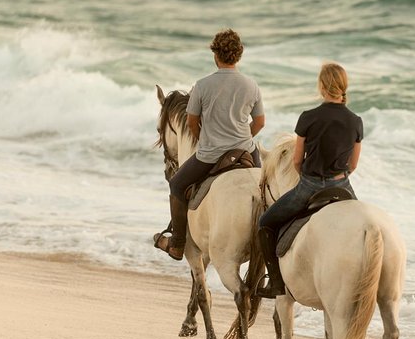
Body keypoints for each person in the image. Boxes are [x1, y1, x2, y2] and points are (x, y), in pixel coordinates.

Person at [154, 29, 265, 260]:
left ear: (216, 55)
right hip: (246, 150)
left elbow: (192, 121)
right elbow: (260, 122)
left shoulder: (203, 85)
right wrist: (243, 136)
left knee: (176, 185)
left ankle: (176, 244)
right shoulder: (251, 85)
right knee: (265, 188)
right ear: (239, 56)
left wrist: (205, 138)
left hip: (211, 153)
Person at [256, 62, 363, 298]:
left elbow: (296, 160)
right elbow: (353, 164)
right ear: (344, 87)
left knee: (265, 222)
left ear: (322, 87)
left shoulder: (308, 117)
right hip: (342, 185)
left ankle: (275, 283)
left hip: (310, 186)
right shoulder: (356, 121)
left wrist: (310, 175)